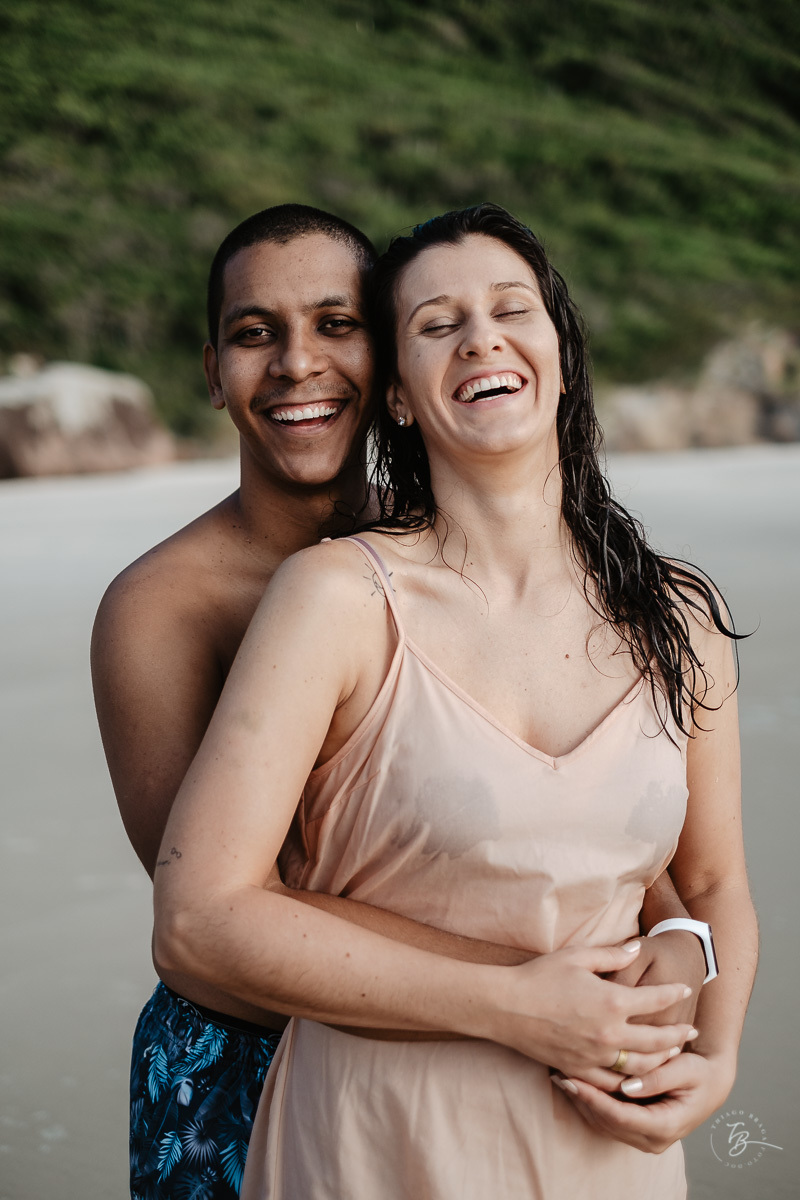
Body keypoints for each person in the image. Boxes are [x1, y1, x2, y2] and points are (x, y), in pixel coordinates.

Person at [94, 203, 702, 1197]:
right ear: (212, 372)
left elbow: (607, 841)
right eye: (255, 334)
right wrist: (529, 980)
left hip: (507, 1053)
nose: (298, 365)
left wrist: (674, 938)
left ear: (388, 369)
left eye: (337, 325)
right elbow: (217, 924)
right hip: (244, 1058)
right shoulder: (160, 607)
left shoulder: (446, 558)